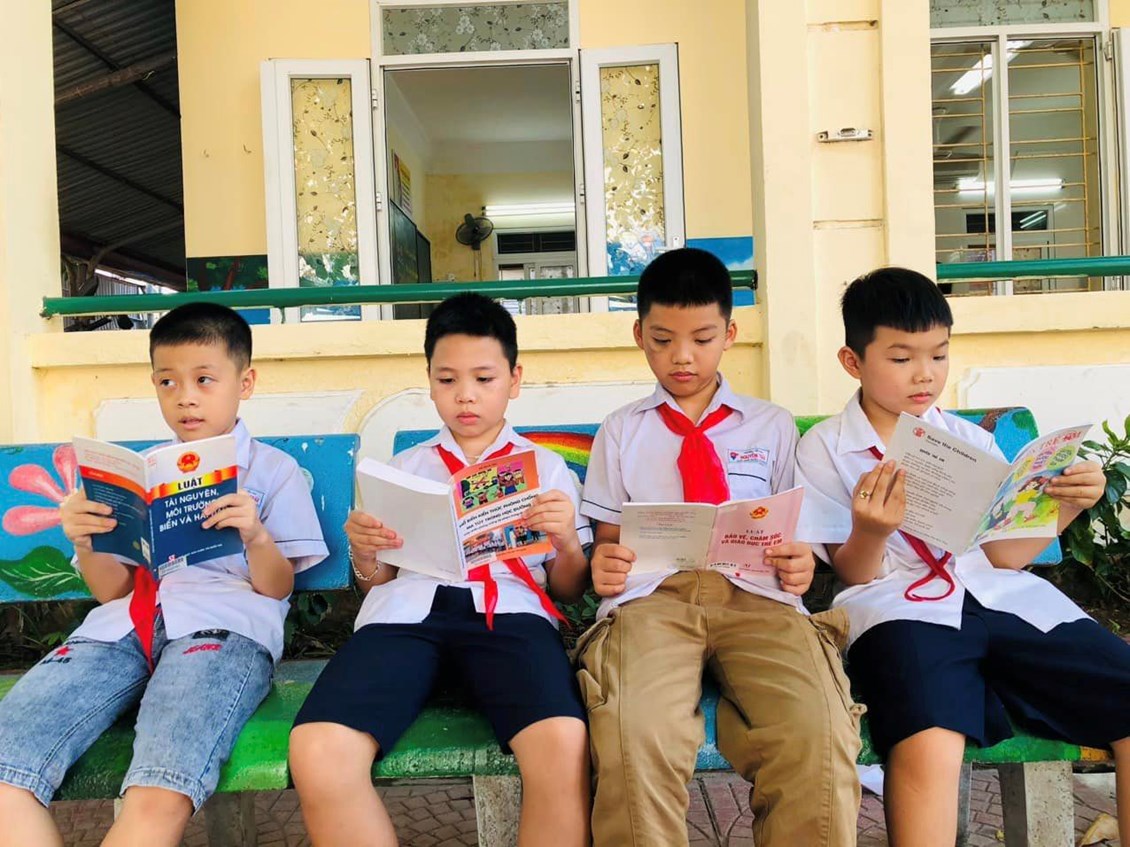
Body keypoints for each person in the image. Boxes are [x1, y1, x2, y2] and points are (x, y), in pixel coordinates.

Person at [796, 266, 1130, 846]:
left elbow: (1004, 558)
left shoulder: (971, 441)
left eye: (939, 355)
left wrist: (1068, 506)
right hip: (897, 609)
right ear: (853, 361)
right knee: (930, 733)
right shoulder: (825, 448)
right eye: (901, 358)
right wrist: (871, 530)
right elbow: (852, 572)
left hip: (1001, 599)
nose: (925, 374)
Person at [0, 303, 327, 847]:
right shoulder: (138, 472)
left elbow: (277, 588)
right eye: (167, 381)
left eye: (204, 379)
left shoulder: (273, 471)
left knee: (159, 788)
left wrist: (255, 535)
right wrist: (85, 541)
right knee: (6, 764)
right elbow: (113, 591)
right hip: (119, 629)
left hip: (222, 632)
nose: (185, 397)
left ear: (245, 383)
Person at [578, 247, 861, 847]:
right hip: (653, 602)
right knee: (635, 732)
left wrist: (800, 562)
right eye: (662, 340)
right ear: (639, 336)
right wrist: (605, 563)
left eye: (703, 338)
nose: (682, 356)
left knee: (815, 728)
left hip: (758, 598)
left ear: (729, 335)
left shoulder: (771, 425)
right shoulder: (622, 429)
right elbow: (607, 540)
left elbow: (794, 536)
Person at [289, 292, 592, 847]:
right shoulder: (402, 470)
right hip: (405, 619)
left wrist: (567, 540)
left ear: (514, 379)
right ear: (428, 381)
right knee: (318, 747)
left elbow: (569, 589)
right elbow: (377, 584)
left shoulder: (546, 469)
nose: (465, 395)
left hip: (510, 617)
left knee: (563, 743)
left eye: (483, 378)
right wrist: (365, 555)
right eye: (447, 380)